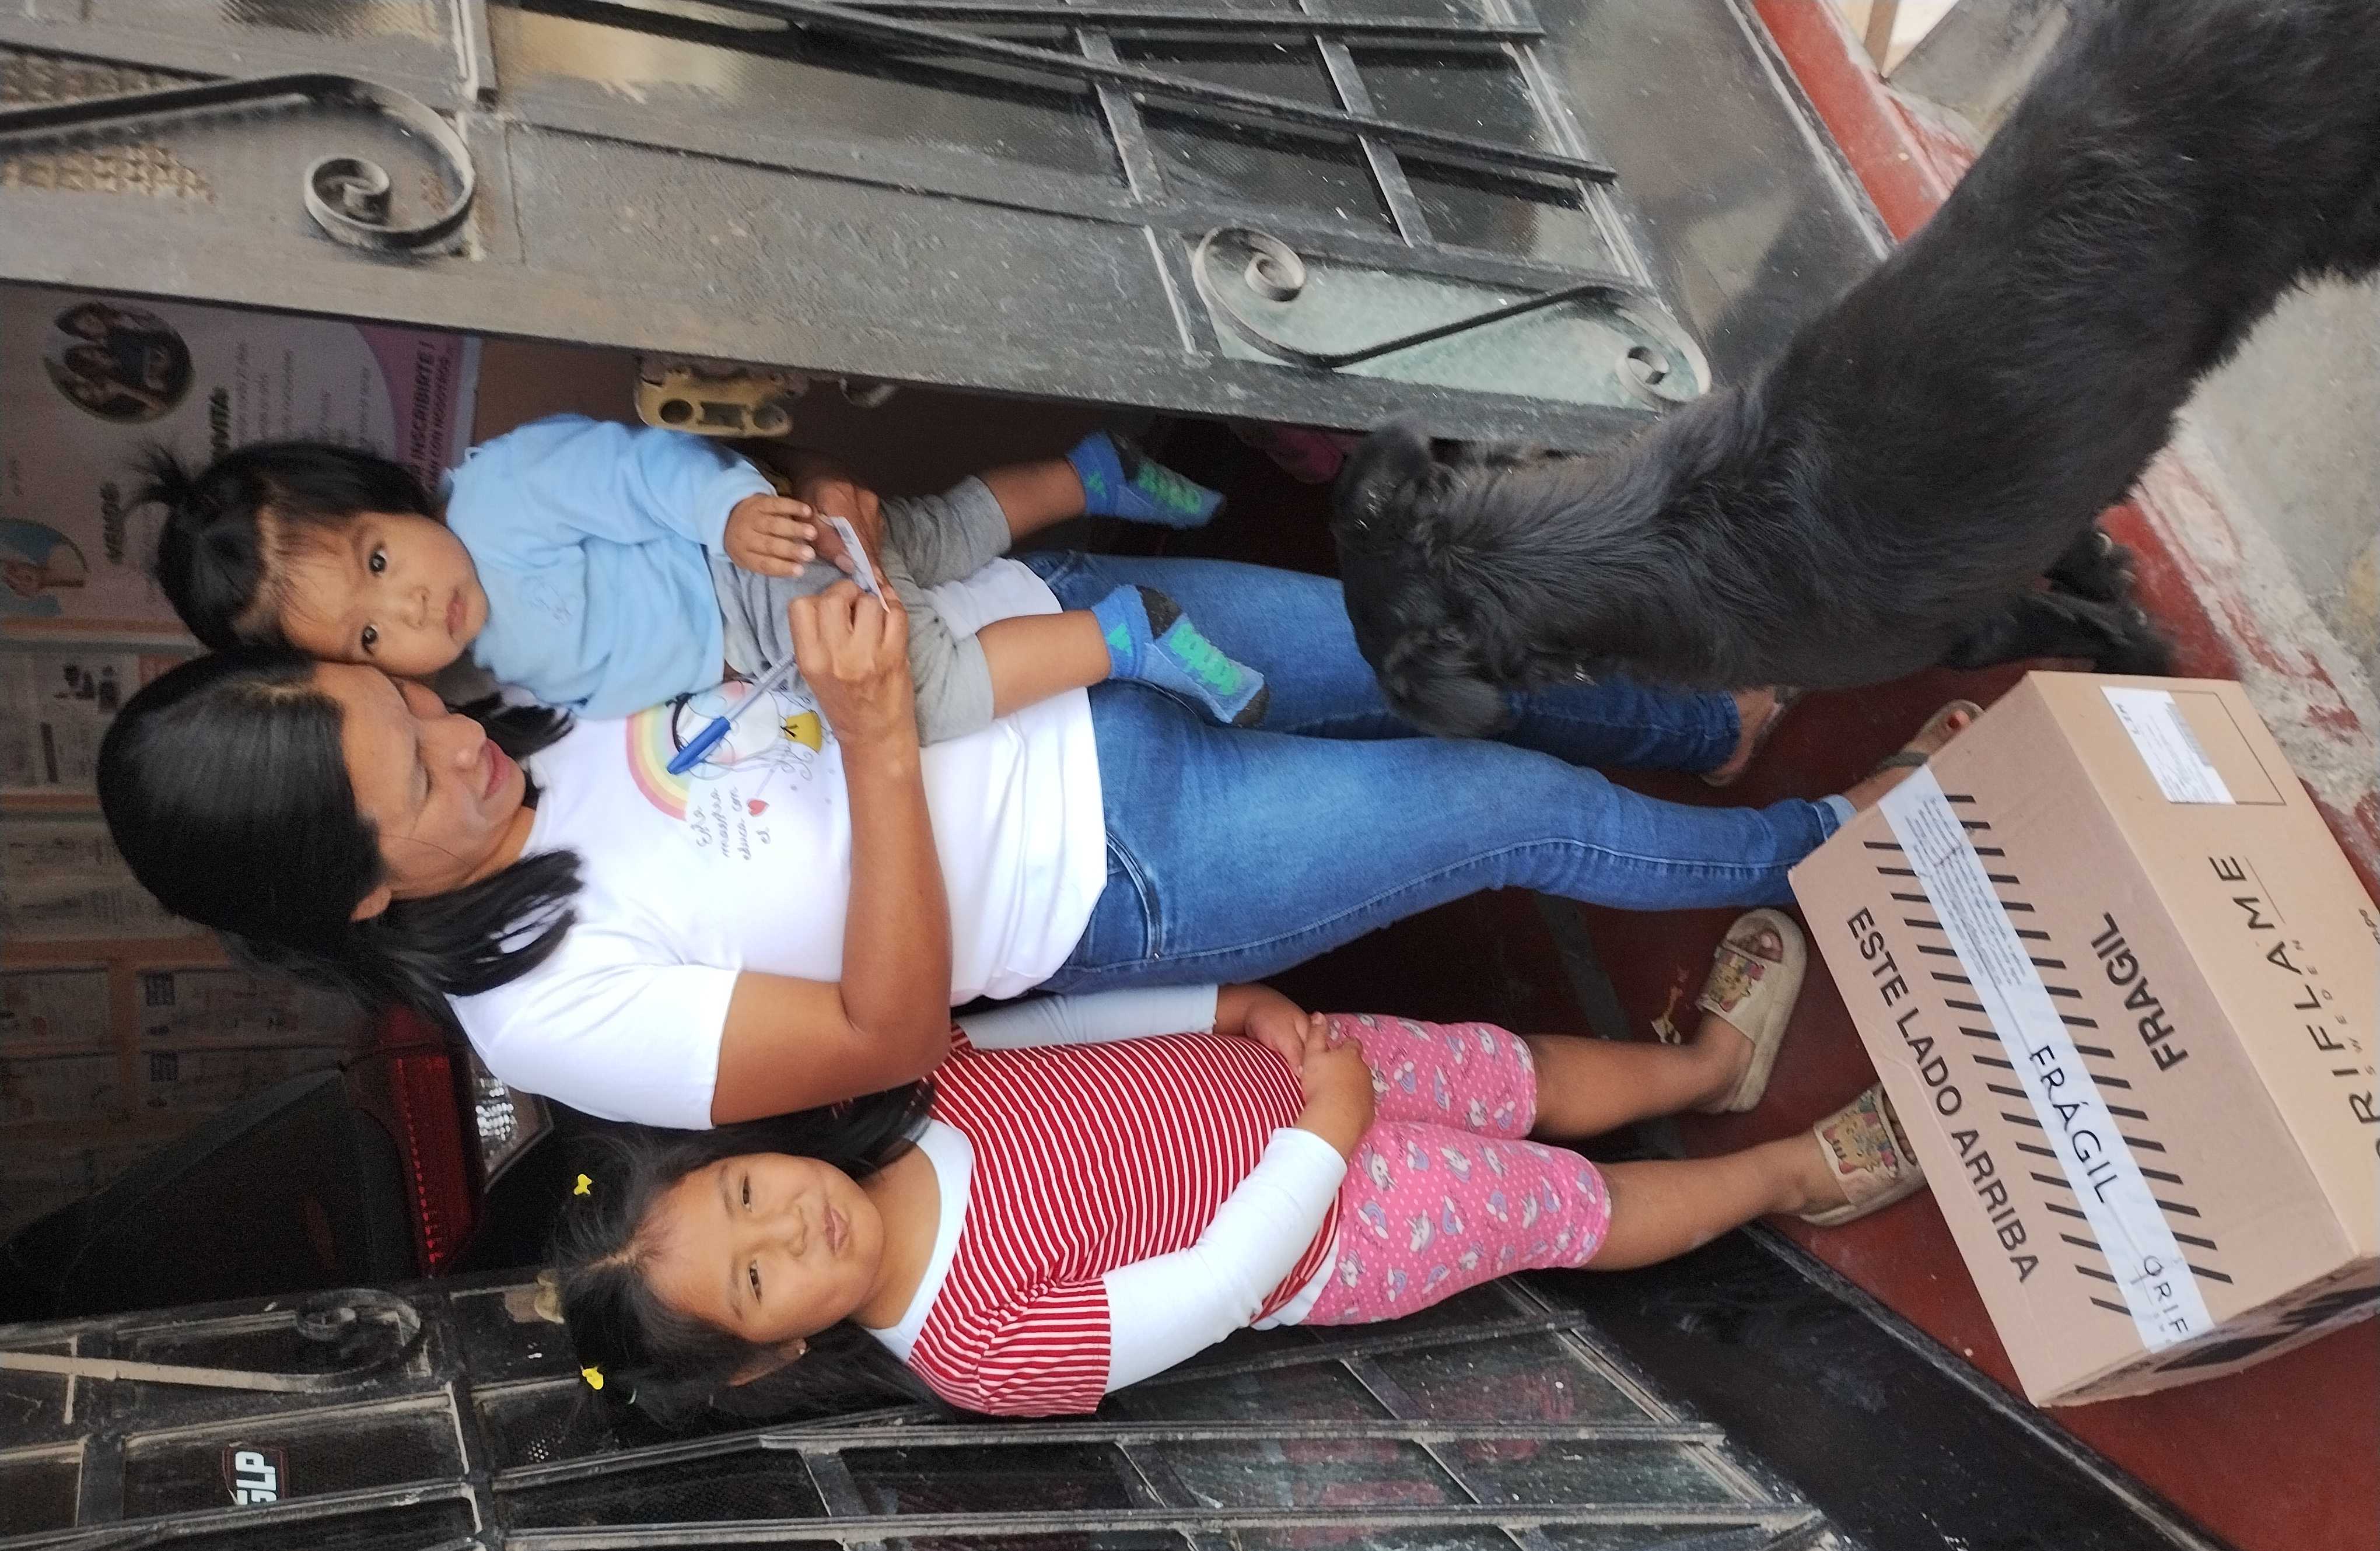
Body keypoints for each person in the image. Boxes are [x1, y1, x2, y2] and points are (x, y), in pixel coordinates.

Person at [97, 440, 1977, 1129]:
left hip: (1060, 627)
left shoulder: (514, 690)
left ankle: (1707, 732)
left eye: (394, 699)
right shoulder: (547, 1017)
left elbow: (719, 565)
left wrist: (819, 512)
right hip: (1132, 863)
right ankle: (1835, 845)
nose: (447, 733)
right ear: (354, 894)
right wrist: (881, 744)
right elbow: (890, 1036)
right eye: (408, 777)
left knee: (1434, 629)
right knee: (1489, 809)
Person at [550, 920, 1927, 1422]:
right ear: (769, 1357)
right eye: (756, 1281)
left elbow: (1057, 1031)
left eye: (745, 1196)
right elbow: (1210, 1292)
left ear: (747, 1153)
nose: (790, 1227)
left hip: (1293, 1072)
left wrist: (1225, 1007)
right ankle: (1795, 1172)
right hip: (1340, 1223)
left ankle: (1706, 1071)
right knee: (1578, 1207)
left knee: (1518, 1072)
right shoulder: (972, 1349)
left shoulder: (902, 1097)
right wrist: (1325, 1139)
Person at [139, 418, 1266, 738]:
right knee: (936, 537)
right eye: (372, 637)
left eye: (379, 563)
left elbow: (634, 470)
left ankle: (1124, 635)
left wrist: (725, 511)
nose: (409, 609)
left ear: (382, 495)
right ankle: (1093, 473)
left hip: (750, 574)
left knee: (921, 695)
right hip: (755, 604)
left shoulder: (497, 499)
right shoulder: (477, 666)